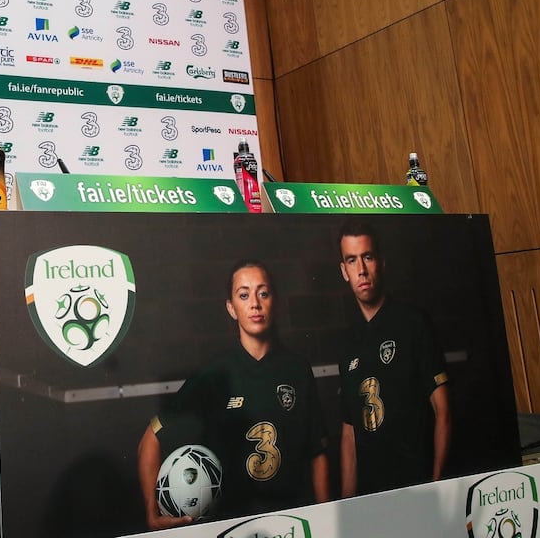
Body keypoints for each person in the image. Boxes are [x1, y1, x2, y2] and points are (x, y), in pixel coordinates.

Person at [137, 260, 328, 529]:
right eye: (243, 294)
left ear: (275, 301)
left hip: (293, 521)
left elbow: (317, 452)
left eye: (263, 293)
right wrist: (151, 509)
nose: (255, 304)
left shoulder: (296, 368)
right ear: (231, 308)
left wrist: (326, 517)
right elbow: (150, 439)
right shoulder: (215, 374)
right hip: (234, 526)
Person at [336, 218, 450, 498]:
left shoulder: (413, 323)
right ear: (344, 271)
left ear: (381, 262)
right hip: (371, 499)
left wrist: (437, 487)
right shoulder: (347, 343)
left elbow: (444, 411)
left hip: (418, 490)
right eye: (352, 260)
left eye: (368, 257)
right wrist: (348, 510)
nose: (361, 270)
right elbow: (349, 435)